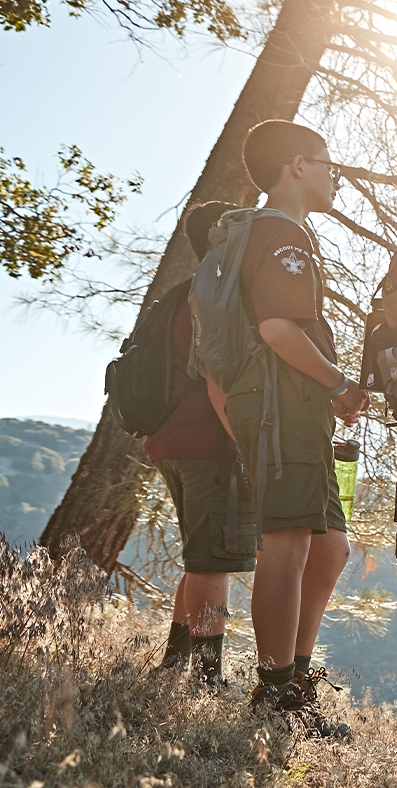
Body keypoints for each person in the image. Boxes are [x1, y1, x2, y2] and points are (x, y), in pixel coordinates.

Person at [227, 119, 367, 737]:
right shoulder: (282, 234)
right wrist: (338, 384)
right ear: (298, 165)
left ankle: (294, 676)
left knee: (329, 546)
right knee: (286, 545)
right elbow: (278, 328)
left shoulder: (279, 234)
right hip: (278, 410)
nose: (335, 177)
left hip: (294, 409)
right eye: (328, 163)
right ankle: (275, 691)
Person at [152, 200, 250, 686]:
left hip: (170, 443)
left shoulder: (181, 294)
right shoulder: (214, 297)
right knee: (213, 562)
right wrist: (246, 445)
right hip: (208, 445)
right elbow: (218, 386)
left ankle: (174, 665)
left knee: (199, 555)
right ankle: (207, 681)